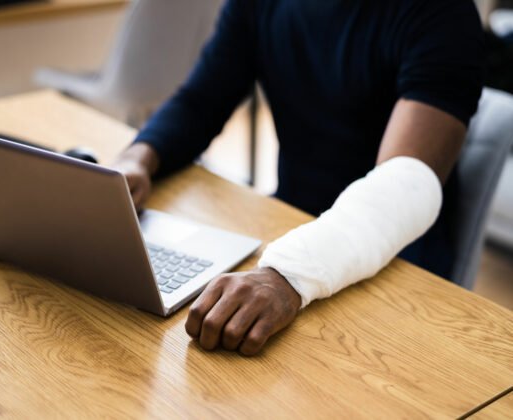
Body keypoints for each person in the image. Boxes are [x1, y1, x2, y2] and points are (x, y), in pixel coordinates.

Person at [113, 0, 484, 356]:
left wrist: (287, 273)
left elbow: (406, 185)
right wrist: (136, 160)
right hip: (291, 226)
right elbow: (201, 100)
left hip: (398, 259)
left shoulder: (443, 11)